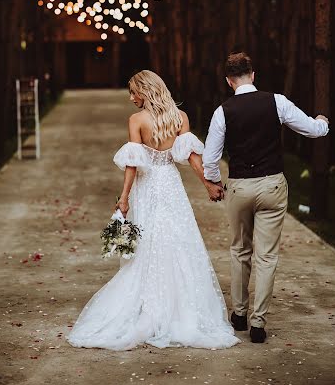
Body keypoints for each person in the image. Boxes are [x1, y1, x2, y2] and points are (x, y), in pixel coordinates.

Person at [67, 70, 239, 351]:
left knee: (149, 242)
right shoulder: (179, 118)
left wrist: (124, 198)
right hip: (170, 184)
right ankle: (180, 307)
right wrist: (208, 184)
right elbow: (191, 157)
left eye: (134, 92)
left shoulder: (137, 120)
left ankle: (151, 305)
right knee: (178, 240)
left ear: (146, 91)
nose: (131, 97)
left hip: (147, 187)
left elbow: (133, 164)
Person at [203, 52, 329, 344]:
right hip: (272, 184)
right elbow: (311, 129)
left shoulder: (223, 111)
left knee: (239, 251)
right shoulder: (277, 101)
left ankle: (239, 314)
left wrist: (214, 181)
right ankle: (258, 324)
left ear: (228, 81)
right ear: (253, 75)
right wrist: (322, 122)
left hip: (239, 187)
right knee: (267, 255)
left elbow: (211, 157)